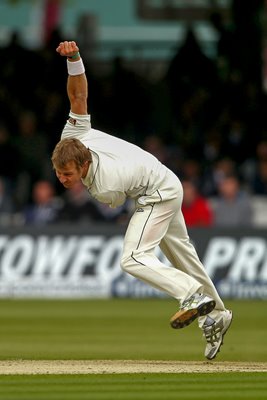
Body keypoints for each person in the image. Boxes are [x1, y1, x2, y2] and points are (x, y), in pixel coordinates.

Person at [51, 41, 232, 360]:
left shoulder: (104, 185)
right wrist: (75, 59)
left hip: (157, 194)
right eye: (58, 173)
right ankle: (216, 313)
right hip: (165, 182)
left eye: (67, 174)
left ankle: (190, 294)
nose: (62, 180)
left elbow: (120, 203)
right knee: (183, 257)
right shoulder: (74, 135)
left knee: (132, 258)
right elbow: (78, 96)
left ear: (82, 166)